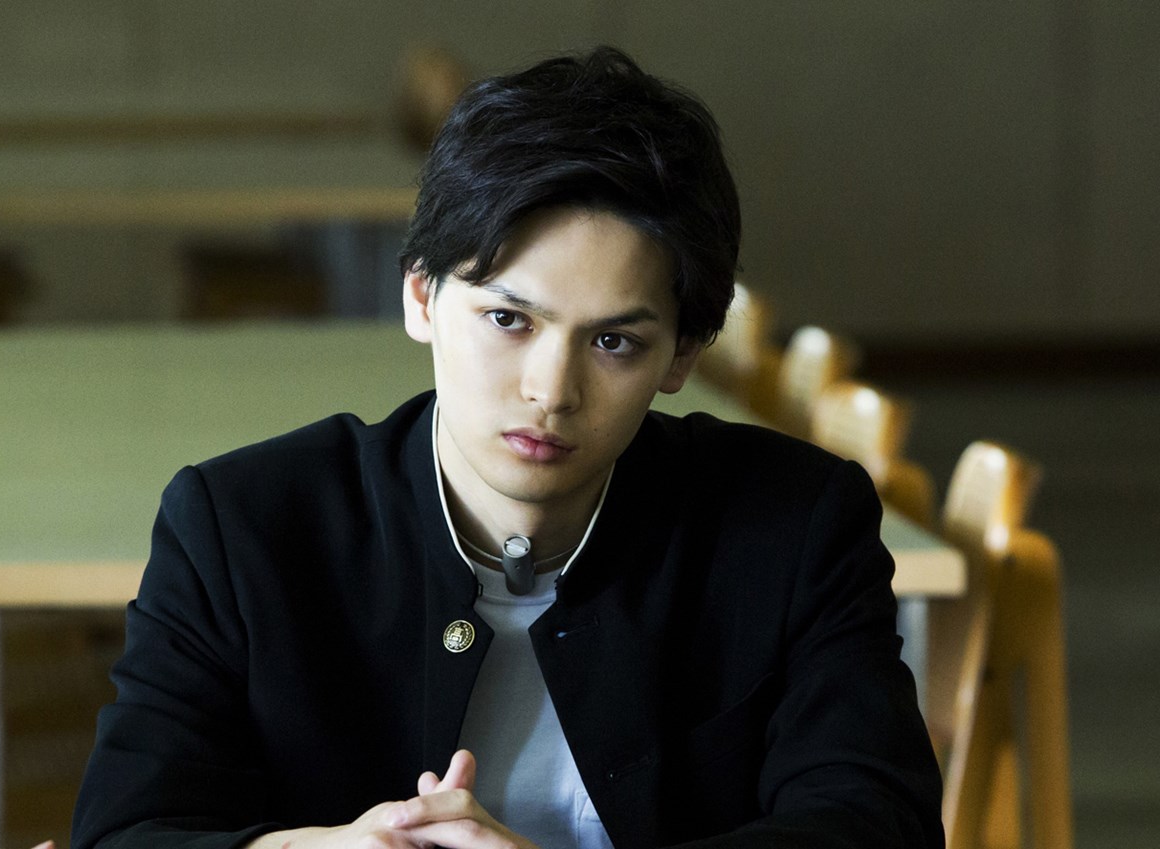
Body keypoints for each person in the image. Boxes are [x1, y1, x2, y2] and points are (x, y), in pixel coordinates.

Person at [72, 47, 943, 849]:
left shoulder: (795, 525)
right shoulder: (240, 526)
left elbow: (878, 825)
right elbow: (128, 830)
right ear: (420, 296)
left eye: (614, 342)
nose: (551, 391)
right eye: (507, 319)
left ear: (682, 356)